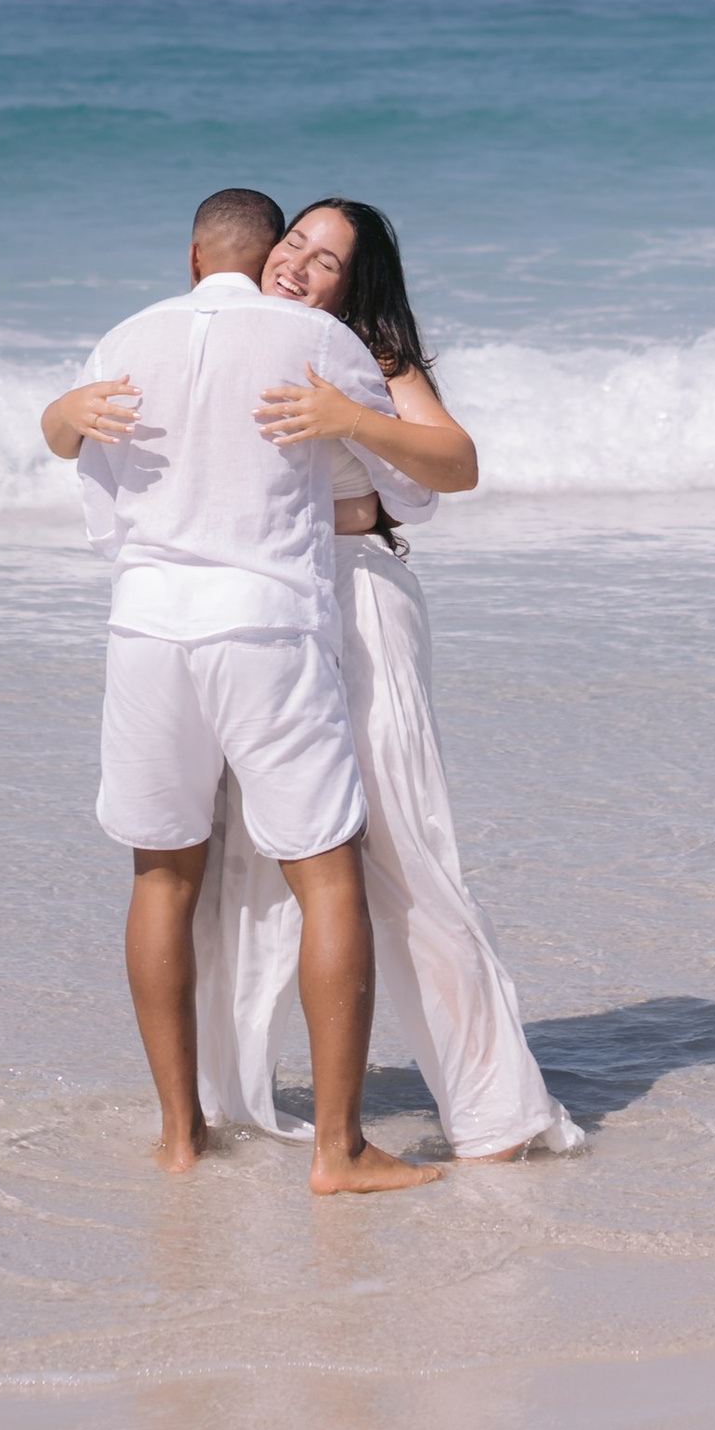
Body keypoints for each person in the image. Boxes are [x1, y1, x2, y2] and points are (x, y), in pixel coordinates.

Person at [40, 186, 441, 1197]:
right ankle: (339, 1151)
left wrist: (58, 422)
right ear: (266, 255)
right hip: (265, 625)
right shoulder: (317, 345)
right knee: (325, 875)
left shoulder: (122, 340)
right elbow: (412, 492)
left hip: (146, 630)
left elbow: (97, 502)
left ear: (190, 257)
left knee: (161, 877)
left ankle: (179, 1136)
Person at [209, 199, 583, 1163]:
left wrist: (348, 413)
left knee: (401, 853)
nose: (298, 265)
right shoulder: (225, 333)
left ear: (353, 285)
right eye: (294, 242)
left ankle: (497, 1112)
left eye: (326, 260)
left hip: (360, 601)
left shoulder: (365, 352)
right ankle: (231, 1099)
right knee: (248, 859)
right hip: (259, 608)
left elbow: (456, 463)